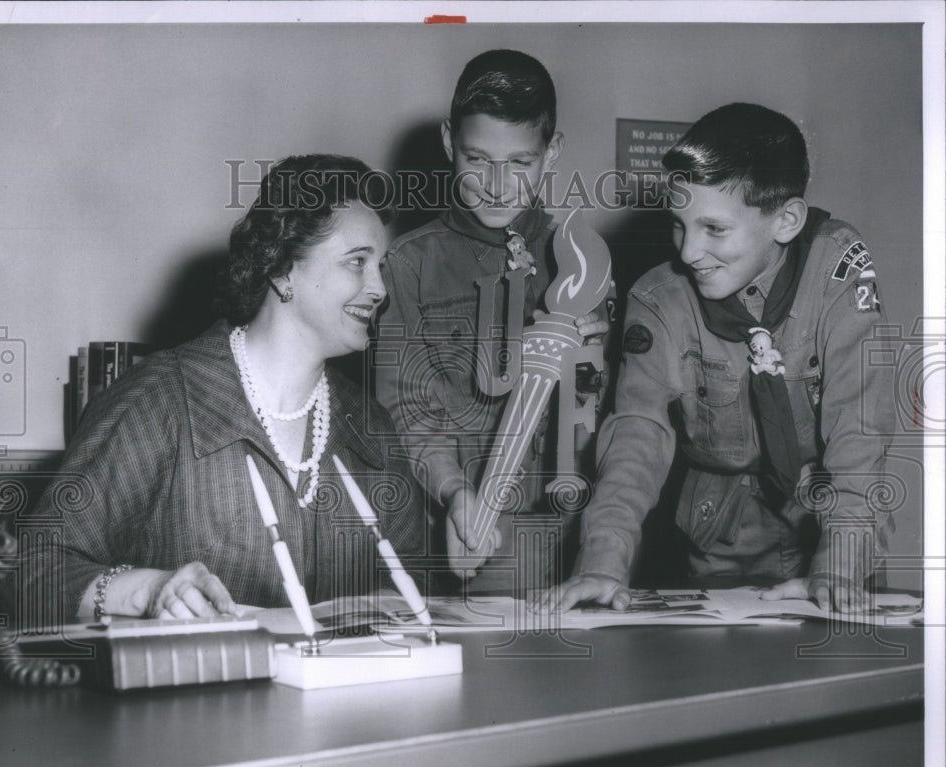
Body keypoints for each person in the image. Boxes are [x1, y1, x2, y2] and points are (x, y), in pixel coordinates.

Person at [15, 154, 428, 623]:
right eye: (357, 262)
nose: (379, 288)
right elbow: (36, 574)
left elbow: (412, 587)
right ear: (282, 270)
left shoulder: (370, 423)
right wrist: (150, 592)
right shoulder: (159, 400)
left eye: (381, 265)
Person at [532, 103, 894, 615]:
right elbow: (638, 433)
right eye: (679, 225)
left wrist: (840, 564)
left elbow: (859, 426)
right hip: (722, 539)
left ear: (786, 220)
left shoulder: (836, 269)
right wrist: (602, 562)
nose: (688, 252)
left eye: (714, 229)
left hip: (833, 526)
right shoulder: (659, 299)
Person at [374, 49, 609, 592]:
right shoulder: (406, 265)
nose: (498, 184)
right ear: (447, 143)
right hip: (443, 518)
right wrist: (456, 492)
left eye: (520, 163)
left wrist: (597, 362)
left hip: (559, 529)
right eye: (478, 160)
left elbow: (606, 417)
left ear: (553, 153)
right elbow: (404, 405)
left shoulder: (581, 259)